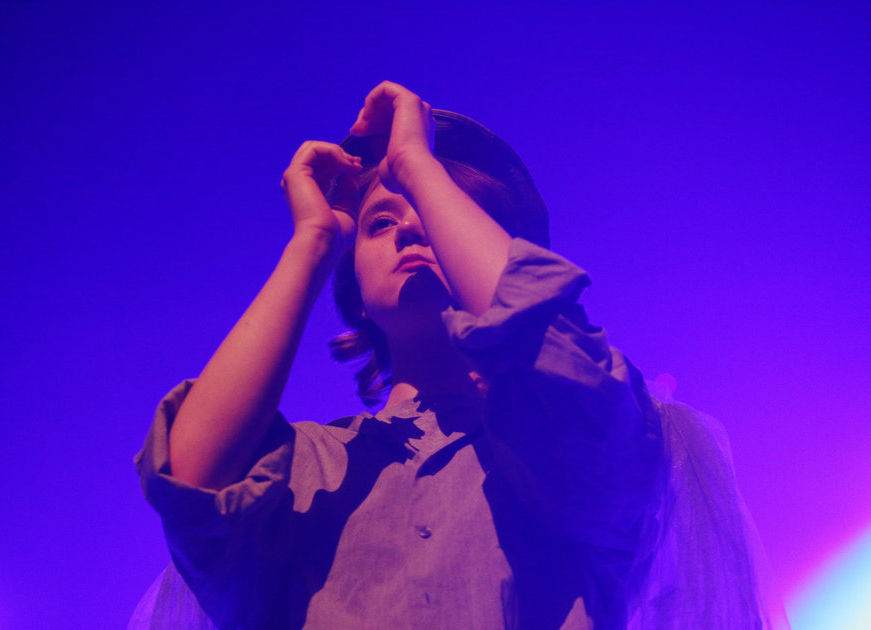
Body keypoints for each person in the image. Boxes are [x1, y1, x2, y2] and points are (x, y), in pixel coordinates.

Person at [129, 82, 786, 629]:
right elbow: (190, 479)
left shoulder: (582, 433)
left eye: (442, 209)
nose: (411, 226)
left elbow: (545, 341)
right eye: (381, 223)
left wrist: (418, 163)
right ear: (356, 290)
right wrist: (313, 240)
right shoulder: (307, 467)